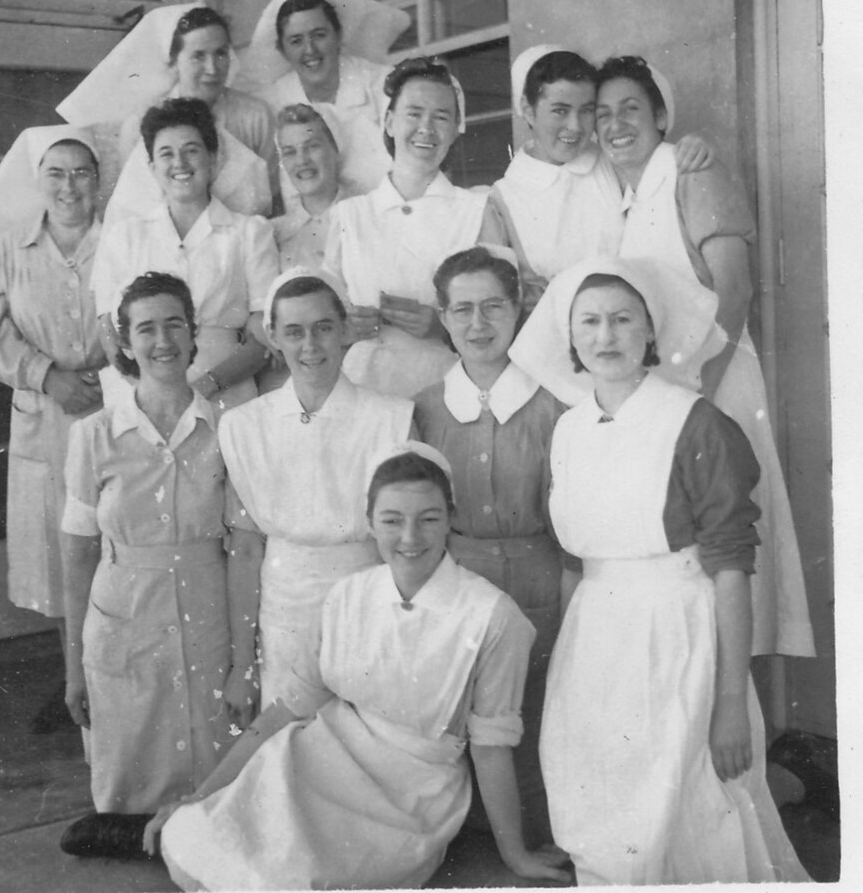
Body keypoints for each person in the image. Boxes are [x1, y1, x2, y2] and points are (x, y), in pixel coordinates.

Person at [61, 443, 572, 889]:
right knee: (227, 827)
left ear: (451, 517)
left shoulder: (491, 617)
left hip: (412, 794)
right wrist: (199, 795)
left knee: (297, 875)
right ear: (369, 520)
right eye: (392, 519)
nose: (410, 537)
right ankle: (163, 832)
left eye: (429, 518)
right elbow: (282, 715)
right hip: (326, 755)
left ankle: (177, 844)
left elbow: (490, 748)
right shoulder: (347, 597)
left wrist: (516, 855)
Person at [514, 258, 809, 885]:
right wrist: (572, 668)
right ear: (570, 338)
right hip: (594, 642)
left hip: (677, 636)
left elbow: (731, 569)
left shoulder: (695, 422)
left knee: (687, 802)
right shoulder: (567, 430)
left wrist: (730, 700)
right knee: (600, 803)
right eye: (589, 322)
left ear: (651, 332)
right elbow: (575, 560)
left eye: (623, 319)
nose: (606, 336)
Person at [594, 54, 814, 659]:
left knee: (727, 537)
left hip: (713, 385)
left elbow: (735, 289)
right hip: (669, 393)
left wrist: (696, 391)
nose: (615, 125)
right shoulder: (628, 198)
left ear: (661, 117)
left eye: (630, 109)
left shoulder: (692, 170)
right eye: (603, 114)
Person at [57, 272, 251, 823]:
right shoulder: (93, 436)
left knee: (214, 786)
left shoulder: (228, 429)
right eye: (146, 329)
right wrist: (73, 668)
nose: (162, 341)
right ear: (125, 343)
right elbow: (76, 556)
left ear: (194, 336)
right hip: (123, 617)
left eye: (174, 325)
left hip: (208, 612)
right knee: (130, 785)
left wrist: (243, 655)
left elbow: (244, 550)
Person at [413, 245, 567, 847]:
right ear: (443, 316)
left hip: (541, 575)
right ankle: (472, 830)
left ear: (520, 307)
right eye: (463, 310)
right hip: (459, 580)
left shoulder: (552, 403)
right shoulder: (425, 408)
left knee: (537, 701)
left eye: (493, 307)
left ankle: (534, 832)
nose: (478, 325)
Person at [219, 268, 414, 706]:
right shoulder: (245, 426)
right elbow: (247, 549)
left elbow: (409, 545)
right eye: (294, 332)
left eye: (323, 328)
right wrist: (241, 665)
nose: (310, 346)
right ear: (272, 337)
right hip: (284, 614)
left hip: (371, 606)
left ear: (344, 328)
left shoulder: (392, 419)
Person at [0, 125, 106, 733]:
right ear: (38, 181)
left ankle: (116, 675)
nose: (70, 186)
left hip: (113, 405)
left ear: (99, 180)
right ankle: (75, 676)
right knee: (59, 551)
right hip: (45, 418)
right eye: (57, 173)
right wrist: (49, 378)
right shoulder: (6, 251)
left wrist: (113, 372)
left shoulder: (123, 239)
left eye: (82, 172)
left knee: (118, 538)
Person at [479, 44, 713, 316]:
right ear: (528, 110)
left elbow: (661, 171)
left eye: (587, 110)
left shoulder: (612, 159)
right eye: (559, 110)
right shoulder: (501, 200)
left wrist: (697, 145)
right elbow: (500, 297)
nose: (576, 127)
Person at [92, 98, 279, 410]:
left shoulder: (249, 234)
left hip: (225, 395)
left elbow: (265, 335)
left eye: (191, 150)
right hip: (139, 397)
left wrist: (205, 388)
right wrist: (146, 388)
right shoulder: (125, 236)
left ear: (213, 159)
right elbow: (106, 327)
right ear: (151, 167)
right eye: (166, 153)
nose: (179, 162)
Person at [324, 56, 486, 399]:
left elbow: (496, 309)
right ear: (389, 121)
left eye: (441, 117)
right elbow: (325, 313)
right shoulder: (350, 215)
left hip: (446, 387)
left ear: (456, 127)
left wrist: (443, 327)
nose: (426, 128)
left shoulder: (474, 210)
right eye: (414, 113)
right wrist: (345, 326)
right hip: (362, 388)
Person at [57, 3, 275, 218]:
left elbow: (271, 193)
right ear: (173, 62)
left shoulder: (255, 117)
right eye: (198, 56)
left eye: (220, 54)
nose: (212, 68)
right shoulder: (140, 123)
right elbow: (134, 203)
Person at [241, 0, 410, 201]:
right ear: (282, 49)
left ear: (338, 36)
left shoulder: (383, 85)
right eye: (296, 41)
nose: (310, 50)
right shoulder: (272, 103)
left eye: (319, 35)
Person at [271, 103, 345, 272]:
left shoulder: (365, 216)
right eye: (289, 152)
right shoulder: (273, 233)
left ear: (335, 149)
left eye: (312, 147)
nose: (302, 160)